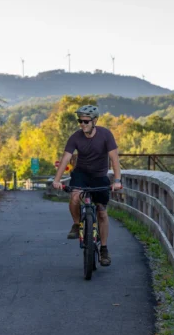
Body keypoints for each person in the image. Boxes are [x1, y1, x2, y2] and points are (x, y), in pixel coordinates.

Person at [52, 105, 123, 266]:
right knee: (75, 196)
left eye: (85, 121)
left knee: (102, 212)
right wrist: (56, 180)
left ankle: (104, 249)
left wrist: (117, 181)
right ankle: (77, 224)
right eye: (80, 121)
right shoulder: (75, 137)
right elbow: (65, 159)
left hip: (99, 176)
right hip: (81, 174)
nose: (82, 124)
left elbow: (114, 159)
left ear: (94, 121)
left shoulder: (105, 135)